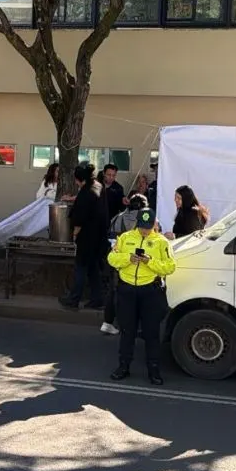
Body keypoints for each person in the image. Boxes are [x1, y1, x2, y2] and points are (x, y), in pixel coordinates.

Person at [108, 207, 175, 385]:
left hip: (150, 291)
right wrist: (128, 259)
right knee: (127, 331)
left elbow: (170, 267)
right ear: (137, 224)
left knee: (151, 333)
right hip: (127, 290)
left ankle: (153, 370)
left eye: (148, 227)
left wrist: (149, 262)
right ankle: (123, 366)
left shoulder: (161, 242)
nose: (145, 230)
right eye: (142, 226)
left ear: (154, 225)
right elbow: (111, 259)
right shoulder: (125, 238)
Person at [60, 164, 108, 310]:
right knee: (93, 268)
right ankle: (97, 299)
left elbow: (80, 218)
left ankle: (73, 300)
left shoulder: (85, 192)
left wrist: (74, 234)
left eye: (76, 180)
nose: (76, 183)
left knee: (80, 268)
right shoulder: (99, 186)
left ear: (80, 179)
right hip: (100, 235)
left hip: (87, 236)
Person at [101, 193, 149, 335]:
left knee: (113, 292)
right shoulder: (146, 222)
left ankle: (107, 322)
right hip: (137, 264)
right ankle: (132, 327)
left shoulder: (117, 218)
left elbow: (110, 240)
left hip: (117, 262)